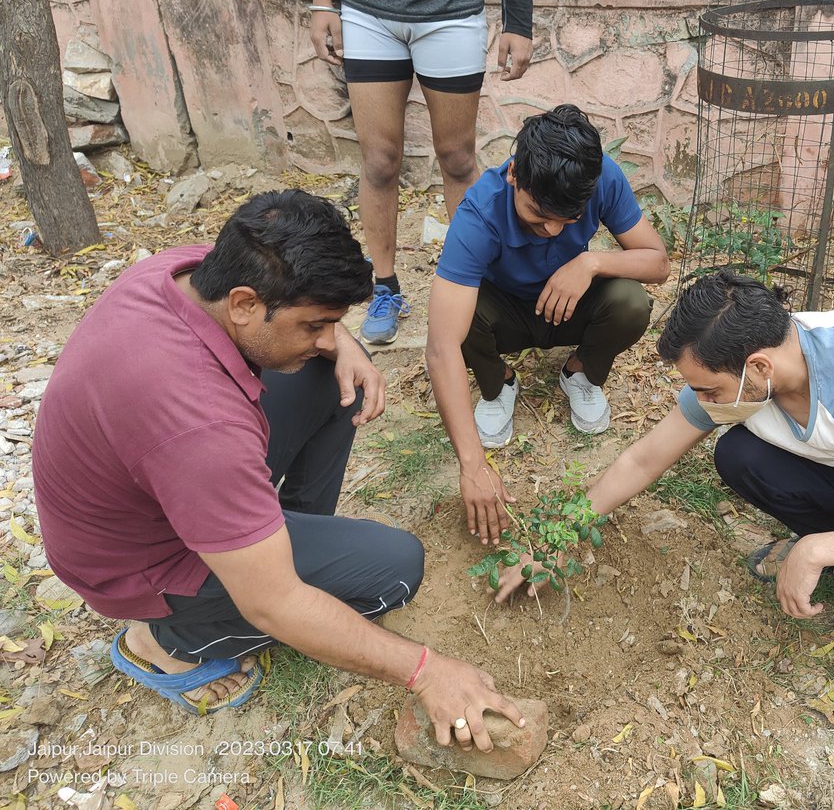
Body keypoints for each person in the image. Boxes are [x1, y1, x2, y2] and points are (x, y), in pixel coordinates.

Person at [32, 192, 524, 749]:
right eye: (316, 322)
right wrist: (426, 670)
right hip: (143, 568)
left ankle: (270, 543)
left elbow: (309, 344)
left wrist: (344, 346)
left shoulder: (188, 273)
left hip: (152, 494)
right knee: (395, 568)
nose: (327, 335)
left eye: (332, 321)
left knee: (333, 378)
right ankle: (165, 643)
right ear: (244, 304)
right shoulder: (200, 428)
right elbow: (273, 603)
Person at [493, 272, 834, 659]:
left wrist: (817, 548)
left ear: (759, 366)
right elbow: (644, 457)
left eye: (709, 390)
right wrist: (554, 541)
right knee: (740, 454)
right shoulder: (745, 371)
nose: (702, 400)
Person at [426, 104, 670, 546]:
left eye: (569, 218)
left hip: (570, 307)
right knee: (458, 315)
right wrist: (473, 465)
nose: (554, 230)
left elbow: (657, 263)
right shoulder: (479, 212)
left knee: (631, 302)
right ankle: (497, 384)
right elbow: (441, 346)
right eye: (538, 214)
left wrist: (591, 261)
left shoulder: (600, 177)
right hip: (508, 315)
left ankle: (581, 373)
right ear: (515, 175)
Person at [310, 0, 535, 345]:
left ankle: (473, 285)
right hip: (367, 10)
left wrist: (519, 23)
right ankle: (385, 287)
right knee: (378, 161)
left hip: (451, 9)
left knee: (456, 158)